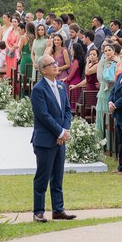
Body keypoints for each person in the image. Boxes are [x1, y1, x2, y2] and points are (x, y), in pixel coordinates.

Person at [30, 55, 75, 222]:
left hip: (60, 138)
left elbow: (67, 110)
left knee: (58, 176)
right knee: (43, 176)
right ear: (43, 70)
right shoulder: (38, 89)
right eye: (52, 64)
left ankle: (58, 209)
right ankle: (38, 211)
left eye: (55, 63)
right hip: (45, 140)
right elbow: (43, 115)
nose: (56, 66)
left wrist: (65, 130)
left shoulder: (61, 86)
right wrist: (59, 132)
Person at [94, 42, 118, 146]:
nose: (107, 52)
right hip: (103, 92)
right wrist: (107, 73)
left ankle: (111, 145)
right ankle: (100, 143)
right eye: (105, 50)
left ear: (114, 51)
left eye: (109, 50)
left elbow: (119, 76)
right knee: (101, 116)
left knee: (111, 118)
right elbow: (99, 77)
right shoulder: (102, 62)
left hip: (113, 92)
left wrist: (115, 63)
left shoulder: (118, 62)